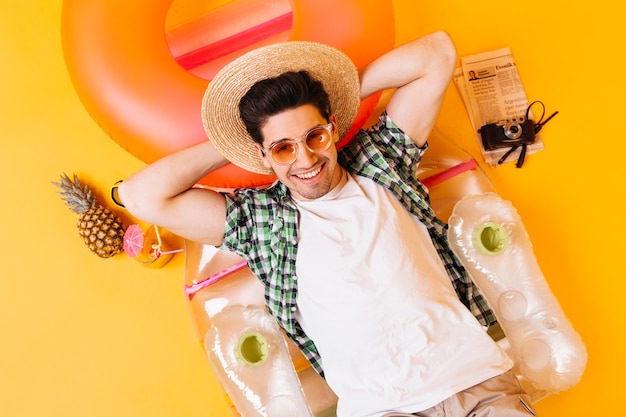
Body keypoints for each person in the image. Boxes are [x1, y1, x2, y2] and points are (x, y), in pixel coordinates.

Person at [118, 32, 535, 417]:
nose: (305, 159)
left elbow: (438, 52)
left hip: (479, 383)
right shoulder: (261, 220)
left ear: (332, 127)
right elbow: (143, 196)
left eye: (314, 136)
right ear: (263, 156)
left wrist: (340, 94)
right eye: (283, 148)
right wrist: (237, 144)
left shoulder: (379, 160)